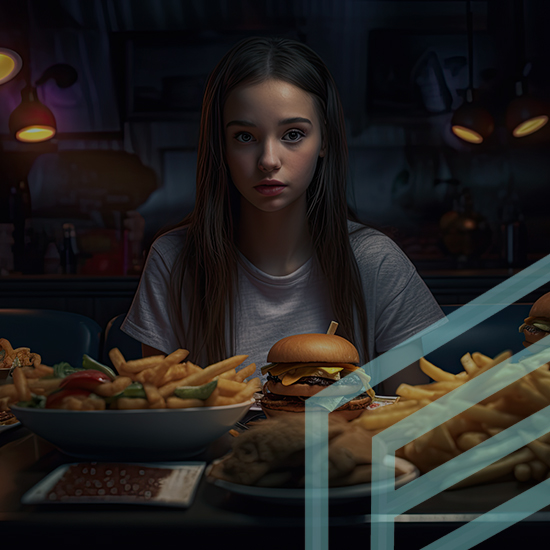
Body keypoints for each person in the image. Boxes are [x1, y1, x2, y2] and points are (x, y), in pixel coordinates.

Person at [121, 36, 445, 395]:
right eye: (245, 136)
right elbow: (156, 412)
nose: (269, 160)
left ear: (324, 142)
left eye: (293, 134)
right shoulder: (173, 260)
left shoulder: (376, 261)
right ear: (221, 147)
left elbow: (412, 419)